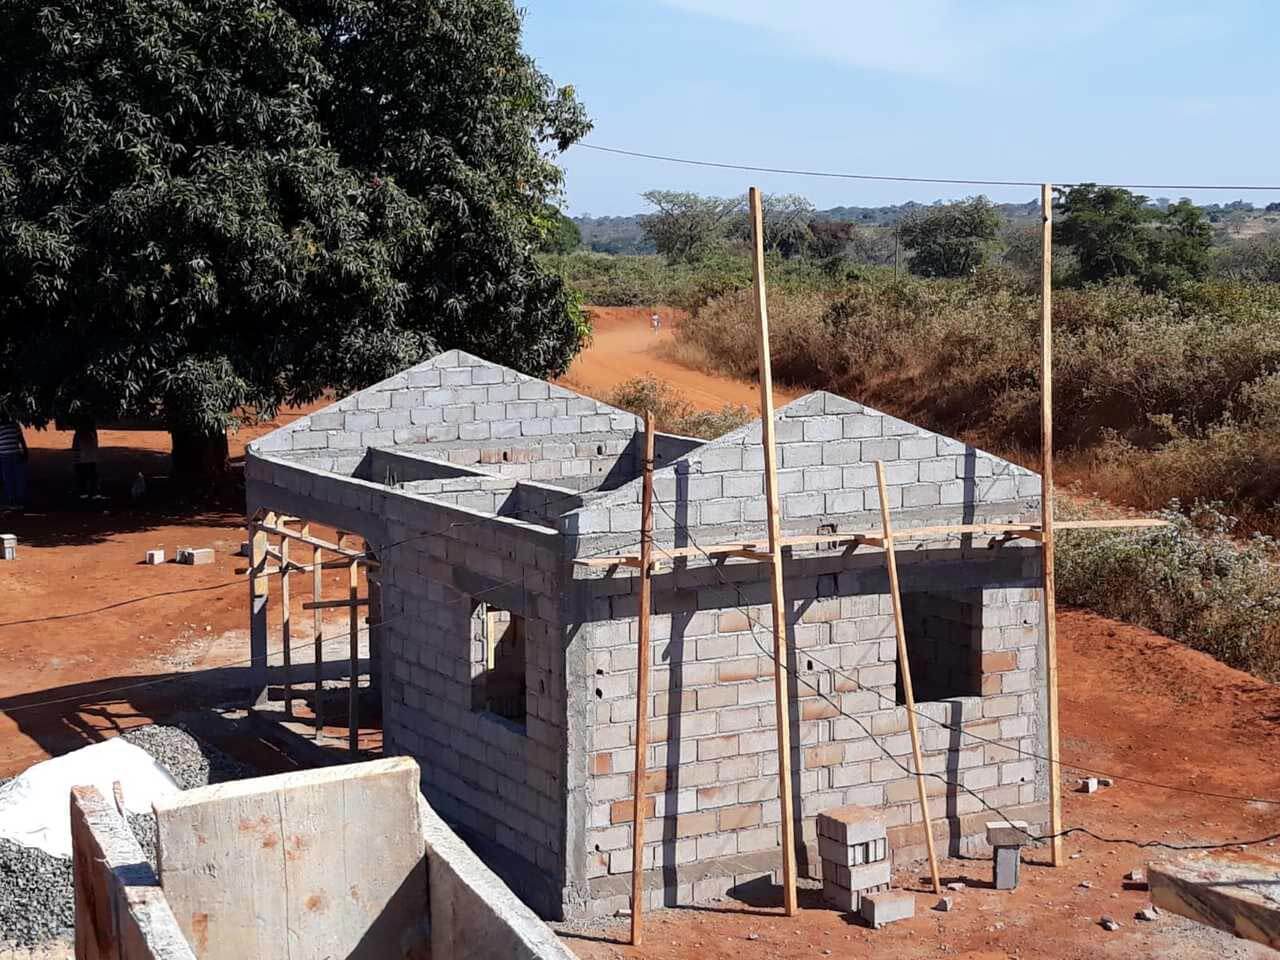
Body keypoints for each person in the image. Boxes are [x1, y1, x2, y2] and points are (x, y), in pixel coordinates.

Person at [0, 415, 28, 510]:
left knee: (14, 477)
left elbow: (21, 439)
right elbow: (21, 439)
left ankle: (17, 500)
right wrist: (25, 451)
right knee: (11, 478)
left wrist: (25, 451)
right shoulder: (14, 425)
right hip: (7, 455)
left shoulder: (14, 425)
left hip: (10, 455)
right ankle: (13, 500)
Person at [72, 423, 99, 498]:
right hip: (90, 458)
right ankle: (91, 491)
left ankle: (84, 491)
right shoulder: (92, 433)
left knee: (82, 476)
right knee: (90, 476)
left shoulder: (79, 434)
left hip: (83, 458)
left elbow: (75, 448)